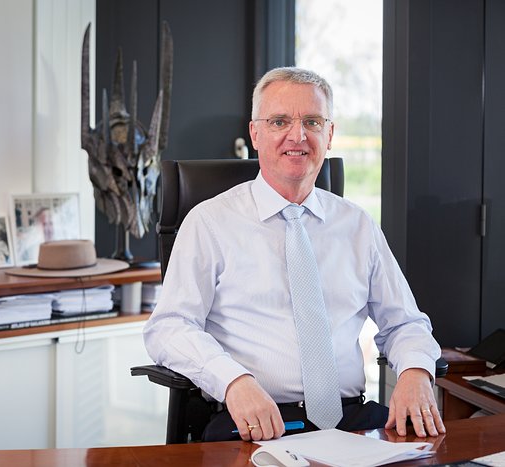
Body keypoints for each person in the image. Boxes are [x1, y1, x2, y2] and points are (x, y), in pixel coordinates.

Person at [143, 67, 446, 442]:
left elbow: (405, 323)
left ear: (329, 134)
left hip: (352, 419)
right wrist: (234, 382)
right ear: (256, 133)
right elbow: (169, 327)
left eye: (312, 121)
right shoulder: (208, 223)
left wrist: (416, 372)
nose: (297, 136)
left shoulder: (357, 226)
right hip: (254, 422)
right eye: (279, 121)